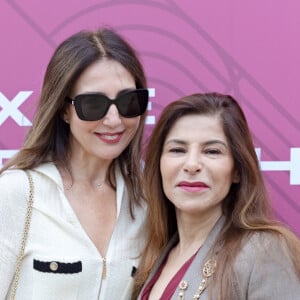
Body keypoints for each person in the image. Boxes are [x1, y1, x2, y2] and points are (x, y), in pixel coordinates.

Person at [0, 27, 149, 299]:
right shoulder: (17, 193)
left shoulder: (146, 202)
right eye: (93, 104)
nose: (114, 120)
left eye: (129, 101)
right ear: (64, 109)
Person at [133, 93, 300, 300]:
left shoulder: (264, 250)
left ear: (237, 170)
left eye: (212, 151)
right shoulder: (155, 255)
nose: (192, 165)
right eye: (177, 150)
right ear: (158, 165)